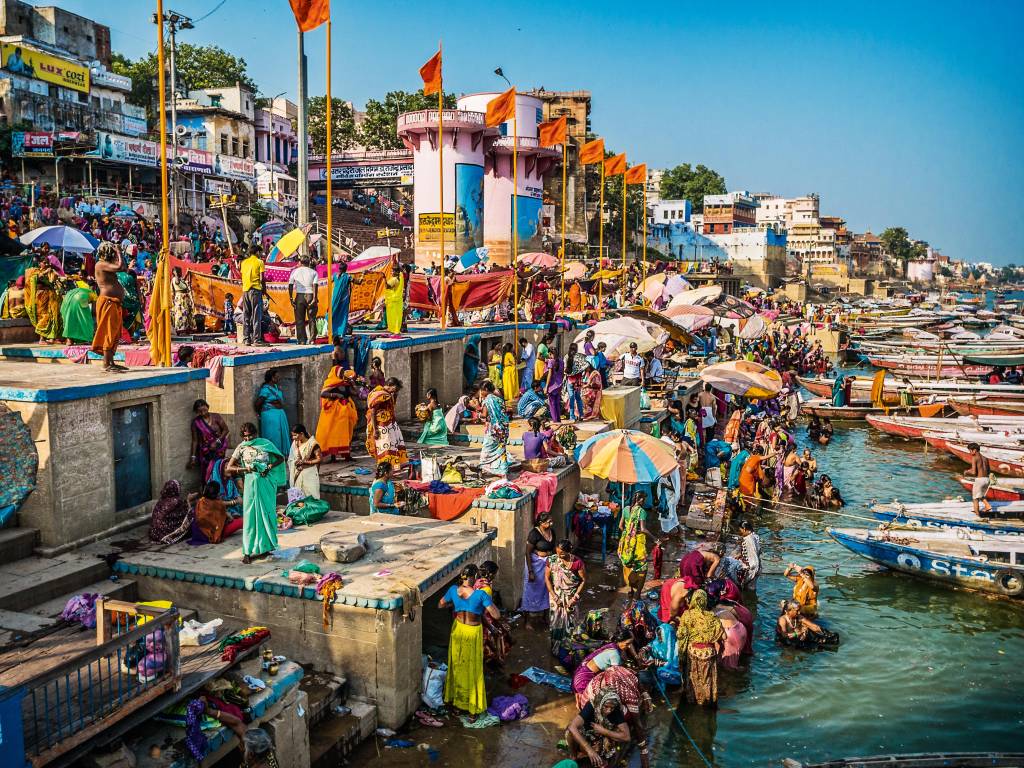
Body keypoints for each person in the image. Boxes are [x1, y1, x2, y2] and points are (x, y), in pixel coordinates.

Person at [438, 563, 500, 717]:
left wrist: (455, 605)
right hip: (472, 632)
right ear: (474, 577)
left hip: (458, 629)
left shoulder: (453, 590)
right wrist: (491, 604)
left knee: (458, 666)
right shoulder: (481, 595)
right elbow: (496, 615)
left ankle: (457, 705)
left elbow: (440, 605)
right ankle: (473, 709)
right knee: (473, 669)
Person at [225, 422, 286, 564]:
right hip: (251, 484)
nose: (248, 439)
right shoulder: (241, 447)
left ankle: (266, 547)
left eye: (250, 435)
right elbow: (229, 467)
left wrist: (268, 466)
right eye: (245, 436)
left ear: (256, 434)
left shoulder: (265, 444)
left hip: (266, 483)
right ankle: (247, 551)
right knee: (250, 516)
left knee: (267, 513)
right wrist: (245, 470)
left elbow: (280, 458)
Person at [676, 589, 724, 707]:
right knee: (708, 679)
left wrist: (681, 655)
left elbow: (681, 636)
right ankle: (708, 700)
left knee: (694, 677)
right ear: (705, 601)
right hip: (709, 652)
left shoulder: (687, 615)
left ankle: (695, 700)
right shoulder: (712, 616)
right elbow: (723, 636)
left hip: (694, 652)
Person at [565, 689, 631, 768]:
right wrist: (589, 749)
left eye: (612, 708)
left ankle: (601, 759)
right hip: (587, 735)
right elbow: (572, 726)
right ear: (601, 702)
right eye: (606, 707)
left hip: (602, 739)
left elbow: (627, 737)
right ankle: (574, 756)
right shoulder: (592, 705)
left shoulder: (616, 710)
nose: (609, 711)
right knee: (569, 732)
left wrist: (604, 731)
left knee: (600, 751)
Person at [570, 630, 637, 707]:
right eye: (627, 644)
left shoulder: (612, 647)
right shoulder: (615, 654)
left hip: (580, 677)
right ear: (620, 641)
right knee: (601, 702)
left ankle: (581, 702)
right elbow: (616, 676)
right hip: (584, 681)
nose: (629, 646)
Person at [315, 355, 359, 462]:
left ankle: (347, 455)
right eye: (341, 371)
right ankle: (333, 456)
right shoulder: (330, 382)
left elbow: (355, 393)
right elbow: (323, 394)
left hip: (346, 411)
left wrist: (353, 383)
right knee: (334, 434)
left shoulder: (346, 383)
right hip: (334, 413)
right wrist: (335, 395)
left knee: (347, 433)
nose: (343, 373)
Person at [92, 242, 127, 372]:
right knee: (108, 331)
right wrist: (119, 251)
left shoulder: (106, 265)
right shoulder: (100, 264)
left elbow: (123, 267)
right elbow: (120, 267)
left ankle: (111, 361)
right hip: (107, 302)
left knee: (115, 332)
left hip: (114, 302)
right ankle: (106, 364)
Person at [546, 539, 586, 650]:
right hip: (556, 595)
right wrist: (554, 596)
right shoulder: (552, 560)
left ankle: (567, 648)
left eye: (562, 553)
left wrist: (574, 597)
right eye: (558, 552)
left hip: (571, 596)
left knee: (570, 623)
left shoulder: (577, 563)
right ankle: (555, 648)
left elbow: (583, 581)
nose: (559, 555)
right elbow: (547, 578)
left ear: (569, 551)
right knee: (555, 623)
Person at [618, 492, 660, 598]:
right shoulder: (641, 512)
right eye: (644, 499)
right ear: (640, 500)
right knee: (642, 568)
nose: (644, 502)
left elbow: (620, 526)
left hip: (626, 543)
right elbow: (643, 529)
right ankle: (637, 593)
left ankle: (631, 589)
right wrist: (656, 540)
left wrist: (628, 535)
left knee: (628, 564)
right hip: (638, 545)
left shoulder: (626, 509)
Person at [365, 378, 407, 470]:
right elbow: (373, 411)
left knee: (393, 446)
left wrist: (395, 395)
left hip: (389, 425)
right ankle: (385, 469)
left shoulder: (388, 394)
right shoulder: (380, 394)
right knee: (385, 447)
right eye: (396, 389)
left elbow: (391, 407)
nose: (395, 391)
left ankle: (392, 467)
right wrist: (375, 430)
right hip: (381, 426)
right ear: (392, 386)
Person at [522, 513, 555, 620]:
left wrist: (548, 555)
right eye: (548, 522)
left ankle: (544, 617)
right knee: (530, 591)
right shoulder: (534, 534)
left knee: (546, 589)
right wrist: (531, 571)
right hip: (535, 565)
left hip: (546, 564)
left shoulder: (552, 532)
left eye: (551, 521)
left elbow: (553, 548)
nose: (551, 523)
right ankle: (527, 621)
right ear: (541, 523)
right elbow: (527, 552)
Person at [190, 480, 243, 544]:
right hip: (213, 534)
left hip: (198, 534)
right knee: (241, 521)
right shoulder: (218, 504)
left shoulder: (200, 501)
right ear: (217, 493)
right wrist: (227, 516)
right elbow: (230, 519)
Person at [189, 399, 229, 480]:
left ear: (207, 407)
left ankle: (221, 488)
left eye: (204, 410)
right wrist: (193, 457)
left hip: (219, 450)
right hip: (205, 452)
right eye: (200, 411)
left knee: (219, 469)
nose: (203, 413)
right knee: (207, 472)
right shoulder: (196, 422)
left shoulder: (216, 416)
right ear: (197, 412)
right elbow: (195, 440)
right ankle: (209, 490)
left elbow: (226, 430)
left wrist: (217, 441)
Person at [478, 380, 511, 477]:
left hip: (494, 430)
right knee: (501, 449)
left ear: (486, 389)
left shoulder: (488, 399)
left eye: (482, 390)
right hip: (504, 428)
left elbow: (485, 415)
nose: (481, 392)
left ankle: (483, 467)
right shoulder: (499, 399)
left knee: (486, 448)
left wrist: (478, 414)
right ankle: (503, 471)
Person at [24, 261, 62, 343]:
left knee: (53, 315)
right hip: (40, 297)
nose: (46, 264)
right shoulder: (34, 271)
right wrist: (45, 272)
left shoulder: (50, 272)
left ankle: (52, 337)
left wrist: (53, 273)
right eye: (44, 262)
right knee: (43, 316)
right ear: (40, 263)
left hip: (50, 296)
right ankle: (41, 339)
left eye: (47, 263)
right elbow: (34, 279)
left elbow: (56, 281)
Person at [255, 369, 290, 457]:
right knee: (273, 436)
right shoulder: (266, 389)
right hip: (270, 416)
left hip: (279, 415)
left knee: (280, 435)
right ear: (272, 378)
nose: (278, 378)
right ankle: (273, 455)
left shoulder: (275, 387)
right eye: (276, 377)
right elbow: (258, 403)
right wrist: (259, 413)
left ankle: (280, 455)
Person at [148, 479, 192, 544]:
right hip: (164, 532)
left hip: (154, 532)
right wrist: (188, 500)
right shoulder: (176, 501)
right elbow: (186, 512)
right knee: (191, 515)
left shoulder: (161, 500)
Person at [287, 258, 317, 344]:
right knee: (312, 319)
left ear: (300, 262)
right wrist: (314, 298)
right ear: (309, 262)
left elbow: (290, 285)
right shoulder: (313, 272)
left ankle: (301, 340)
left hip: (299, 296)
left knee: (299, 319)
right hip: (310, 295)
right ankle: (312, 339)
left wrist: (291, 298)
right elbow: (315, 285)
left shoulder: (295, 271)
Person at [287, 424, 321, 499]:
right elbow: (291, 458)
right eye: (292, 436)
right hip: (297, 473)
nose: (293, 438)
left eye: (295, 435)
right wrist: (295, 462)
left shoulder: (313, 444)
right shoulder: (295, 443)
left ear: (302, 434)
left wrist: (305, 462)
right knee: (298, 499)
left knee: (311, 496)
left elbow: (319, 459)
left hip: (309, 473)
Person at [240, 246, 265, 345]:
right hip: (256, 290)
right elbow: (262, 278)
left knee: (246, 315)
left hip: (245, 290)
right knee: (256, 316)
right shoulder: (260, 262)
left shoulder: (244, 262)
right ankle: (257, 339)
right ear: (257, 252)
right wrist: (264, 289)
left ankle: (246, 339)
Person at [59, 277, 96, 344]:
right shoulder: (93, 293)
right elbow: (93, 311)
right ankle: (87, 339)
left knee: (69, 320)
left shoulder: (80, 286)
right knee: (85, 321)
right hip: (80, 299)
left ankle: (69, 340)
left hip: (68, 299)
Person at [965, 441, 994, 516]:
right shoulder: (985, 458)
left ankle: (977, 515)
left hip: (980, 480)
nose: (970, 452)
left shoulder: (974, 458)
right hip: (986, 480)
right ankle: (987, 505)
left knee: (975, 499)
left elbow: (974, 472)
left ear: (974, 450)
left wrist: (967, 472)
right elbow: (988, 471)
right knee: (980, 495)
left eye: (970, 451)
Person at [737, 520, 762, 590]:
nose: (740, 532)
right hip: (758, 567)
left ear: (744, 529)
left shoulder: (747, 539)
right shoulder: (755, 536)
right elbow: (757, 551)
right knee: (752, 588)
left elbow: (751, 553)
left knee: (745, 588)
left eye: (740, 530)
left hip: (752, 567)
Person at [171, 266, 194, 333]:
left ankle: (187, 328)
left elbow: (182, 281)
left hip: (185, 298)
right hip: (180, 298)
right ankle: (180, 329)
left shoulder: (180, 279)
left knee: (186, 313)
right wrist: (176, 274)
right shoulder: (175, 279)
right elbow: (178, 282)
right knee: (181, 313)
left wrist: (187, 273)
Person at [545, 347, 565, 422]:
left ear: (550, 354)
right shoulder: (561, 361)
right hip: (559, 385)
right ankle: (558, 420)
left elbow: (549, 374)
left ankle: (555, 421)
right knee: (557, 403)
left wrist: (546, 386)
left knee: (552, 405)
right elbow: (562, 374)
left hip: (552, 386)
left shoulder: (550, 361)